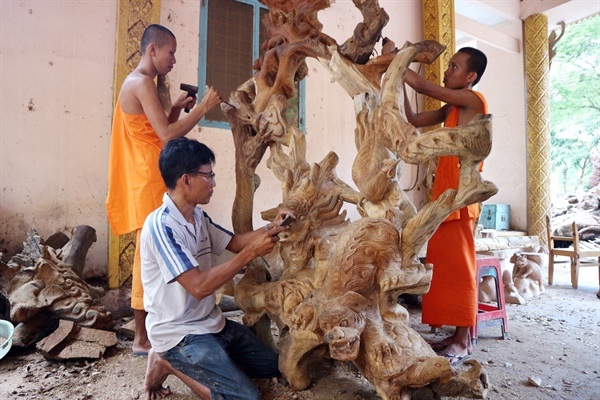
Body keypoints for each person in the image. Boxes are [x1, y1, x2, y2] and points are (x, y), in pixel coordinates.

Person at [141, 137, 290, 400]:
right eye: (208, 176)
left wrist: (272, 227)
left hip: (211, 324)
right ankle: (167, 362)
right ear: (186, 180)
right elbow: (198, 287)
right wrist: (251, 253)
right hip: (179, 333)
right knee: (246, 398)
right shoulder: (161, 227)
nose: (213, 183)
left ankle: (215, 364)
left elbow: (233, 243)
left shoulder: (197, 216)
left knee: (275, 366)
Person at [106, 24, 221, 356]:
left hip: (150, 171)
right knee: (147, 259)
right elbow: (168, 136)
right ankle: (143, 338)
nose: (173, 59)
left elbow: (157, 125)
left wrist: (178, 107)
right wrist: (201, 109)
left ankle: (154, 325)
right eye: (170, 52)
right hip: (147, 178)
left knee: (150, 257)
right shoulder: (141, 83)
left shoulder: (143, 84)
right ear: (152, 50)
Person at [402, 46, 488, 365]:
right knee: (444, 269)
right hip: (444, 201)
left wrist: (396, 60)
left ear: (470, 77)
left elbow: (423, 85)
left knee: (462, 271)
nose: (447, 70)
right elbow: (414, 118)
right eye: (448, 65)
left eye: (453, 66)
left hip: (462, 201)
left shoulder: (473, 101)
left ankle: (464, 340)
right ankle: (454, 332)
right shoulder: (451, 107)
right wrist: (398, 81)